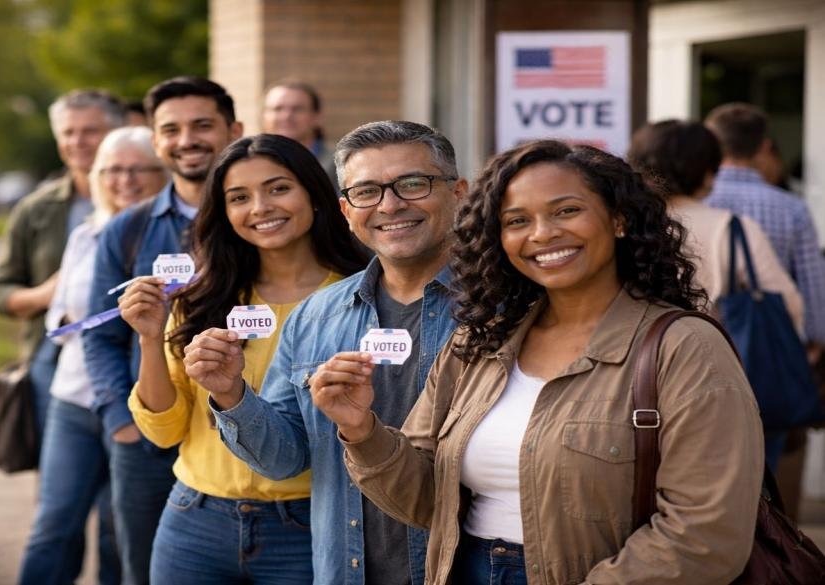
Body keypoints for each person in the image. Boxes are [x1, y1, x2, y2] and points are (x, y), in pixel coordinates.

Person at [318, 140, 763, 584]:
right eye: (516, 221)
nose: (542, 233)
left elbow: (705, 534)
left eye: (566, 211)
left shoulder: (684, 348)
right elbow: (427, 503)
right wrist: (362, 430)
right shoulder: (478, 342)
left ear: (619, 218)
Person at [203, 121, 466, 585]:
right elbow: (286, 458)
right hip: (347, 569)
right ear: (346, 209)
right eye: (367, 191)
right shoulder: (316, 316)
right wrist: (230, 394)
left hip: (464, 567)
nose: (390, 205)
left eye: (412, 184)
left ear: (458, 192)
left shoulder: (504, 309)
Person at [119, 134, 368, 583]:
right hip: (196, 520)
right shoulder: (201, 298)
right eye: (239, 197)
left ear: (315, 194)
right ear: (224, 212)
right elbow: (163, 430)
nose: (260, 207)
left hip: (309, 525)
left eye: (278, 188)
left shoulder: (359, 297)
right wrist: (149, 340)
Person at [83, 76, 243, 585]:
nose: (187, 139)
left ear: (233, 130)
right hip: (148, 441)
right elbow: (99, 334)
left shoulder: (267, 224)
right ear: (155, 140)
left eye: (202, 125)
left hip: (245, 439)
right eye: (170, 129)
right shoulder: (126, 230)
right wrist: (121, 423)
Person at [19, 127, 168, 585]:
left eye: (137, 169)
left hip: (142, 404)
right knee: (53, 524)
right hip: (75, 400)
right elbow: (56, 325)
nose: (124, 179)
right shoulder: (85, 235)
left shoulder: (175, 239)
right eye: (113, 170)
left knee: (117, 532)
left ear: (161, 173)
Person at [0, 89, 123, 437]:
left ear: (116, 132)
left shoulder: (145, 199)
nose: (78, 141)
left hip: (129, 360)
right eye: (68, 132)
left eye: (90, 130)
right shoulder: (35, 209)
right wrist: (47, 294)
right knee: (60, 479)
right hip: (51, 360)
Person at [627, 119, 803, 331]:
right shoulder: (733, 228)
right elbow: (789, 304)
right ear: (708, 173)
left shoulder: (621, 224)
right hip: (713, 352)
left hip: (633, 353)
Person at [705, 102, 825, 346]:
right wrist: (813, 341)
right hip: (772, 344)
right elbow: (812, 286)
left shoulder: (697, 202)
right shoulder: (792, 208)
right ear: (764, 146)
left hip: (703, 342)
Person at [262, 81, 338, 193]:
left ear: (317, 117)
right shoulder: (251, 164)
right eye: (278, 109)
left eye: (297, 109)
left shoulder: (341, 163)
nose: (286, 116)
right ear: (264, 117)